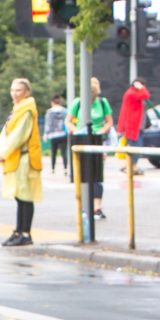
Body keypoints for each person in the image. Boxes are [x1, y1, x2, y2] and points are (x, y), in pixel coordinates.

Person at [0, 78, 43, 246]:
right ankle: (18, 231)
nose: (14, 93)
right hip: (17, 158)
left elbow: (18, 136)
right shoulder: (18, 109)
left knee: (25, 196)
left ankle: (25, 233)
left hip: (24, 158)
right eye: (13, 90)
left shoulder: (26, 110)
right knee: (19, 196)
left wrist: (4, 152)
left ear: (26, 92)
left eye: (18, 90)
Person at [66, 77, 114, 219]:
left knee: (97, 174)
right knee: (82, 175)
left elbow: (109, 121)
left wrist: (100, 133)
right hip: (81, 139)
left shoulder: (102, 102)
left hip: (97, 139)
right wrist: (76, 131)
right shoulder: (78, 102)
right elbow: (68, 121)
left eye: (93, 93)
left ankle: (97, 207)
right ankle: (82, 206)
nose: (91, 96)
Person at [118, 79, 150, 159]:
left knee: (135, 147)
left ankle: (128, 166)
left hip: (137, 126)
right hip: (133, 127)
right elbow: (146, 95)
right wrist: (141, 88)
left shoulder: (133, 93)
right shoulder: (132, 93)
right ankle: (132, 167)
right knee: (135, 147)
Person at [44, 93, 69, 178]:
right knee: (63, 152)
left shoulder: (49, 112)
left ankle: (52, 168)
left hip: (53, 134)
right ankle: (65, 168)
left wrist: (45, 134)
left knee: (54, 152)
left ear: (52, 102)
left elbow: (48, 123)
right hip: (63, 134)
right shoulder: (65, 111)